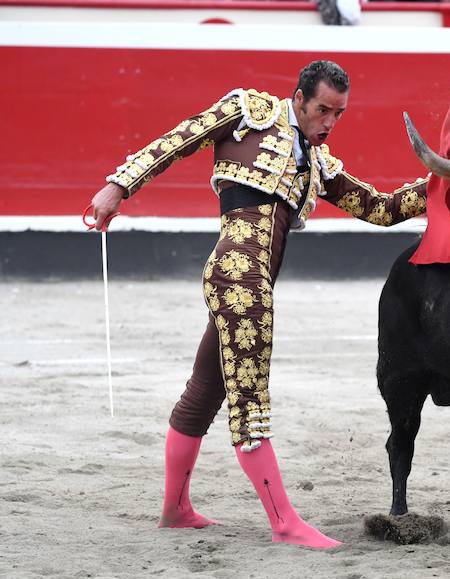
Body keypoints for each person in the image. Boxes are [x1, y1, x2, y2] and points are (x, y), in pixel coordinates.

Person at [90, 60, 428, 548]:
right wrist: (118, 187)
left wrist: (441, 185)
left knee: (205, 390)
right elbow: (177, 140)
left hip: (252, 281)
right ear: (299, 98)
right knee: (250, 405)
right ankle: (284, 522)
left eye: (338, 113)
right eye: (322, 110)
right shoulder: (249, 112)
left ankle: (176, 509)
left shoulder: (318, 164)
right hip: (239, 275)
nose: (329, 122)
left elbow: (380, 208)